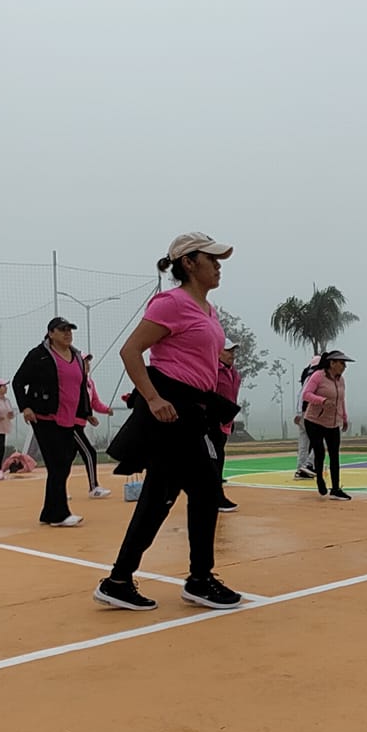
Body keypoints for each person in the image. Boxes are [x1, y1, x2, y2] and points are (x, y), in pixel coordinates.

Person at [94, 232, 243, 611]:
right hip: (171, 409)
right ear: (189, 263)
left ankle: (121, 579)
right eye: (212, 259)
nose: (218, 265)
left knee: (163, 496)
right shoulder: (171, 304)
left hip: (193, 410)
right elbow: (131, 351)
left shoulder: (207, 309)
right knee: (202, 492)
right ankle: (197, 579)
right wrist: (154, 398)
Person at [12, 317, 93, 526]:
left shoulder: (76, 356)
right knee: (57, 465)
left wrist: (86, 412)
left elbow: (81, 388)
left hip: (70, 418)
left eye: (70, 330)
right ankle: (59, 514)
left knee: (64, 463)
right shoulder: (39, 355)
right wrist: (26, 407)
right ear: (50, 333)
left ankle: (49, 512)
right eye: (62, 329)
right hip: (45, 417)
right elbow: (19, 381)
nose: (67, 333)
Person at [300, 350, 353, 500]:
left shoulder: (341, 380)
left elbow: (341, 400)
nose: (344, 367)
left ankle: (336, 489)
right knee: (320, 452)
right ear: (332, 363)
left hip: (333, 422)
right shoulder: (318, 376)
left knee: (335, 454)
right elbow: (306, 394)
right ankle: (319, 479)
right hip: (314, 421)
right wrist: (322, 401)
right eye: (342, 363)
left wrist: (344, 417)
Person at [76, 355, 114, 500]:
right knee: (90, 452)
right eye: (84, 362)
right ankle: (94, 487)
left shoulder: (89, 383)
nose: (87, 365)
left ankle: (58, 491)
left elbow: (95, 402)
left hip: (80, 423)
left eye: (88, 362)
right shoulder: (74, 382)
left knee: (66, 459)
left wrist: (106, 409)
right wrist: (87, 415)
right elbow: (73, 403)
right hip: (71, 424)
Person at [215, 341, 243, 513]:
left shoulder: (234, 374)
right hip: (211, 422)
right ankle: (217, 498)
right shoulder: (212, 371)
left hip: (225, 421)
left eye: (233, 351)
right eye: (228, 351)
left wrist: (229, 421)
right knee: (215, 459)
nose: (232, 354)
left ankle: (213, 496)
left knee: (218, 458)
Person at [293, 354, 320, 479]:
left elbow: (300, 394)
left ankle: (300, 469)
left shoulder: (306, 377)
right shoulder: (316, 378)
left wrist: (298, 413)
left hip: (303, 413)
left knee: (303, 444)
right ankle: (308, 465)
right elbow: (305, 395)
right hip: (310, 414)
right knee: (319, 440)